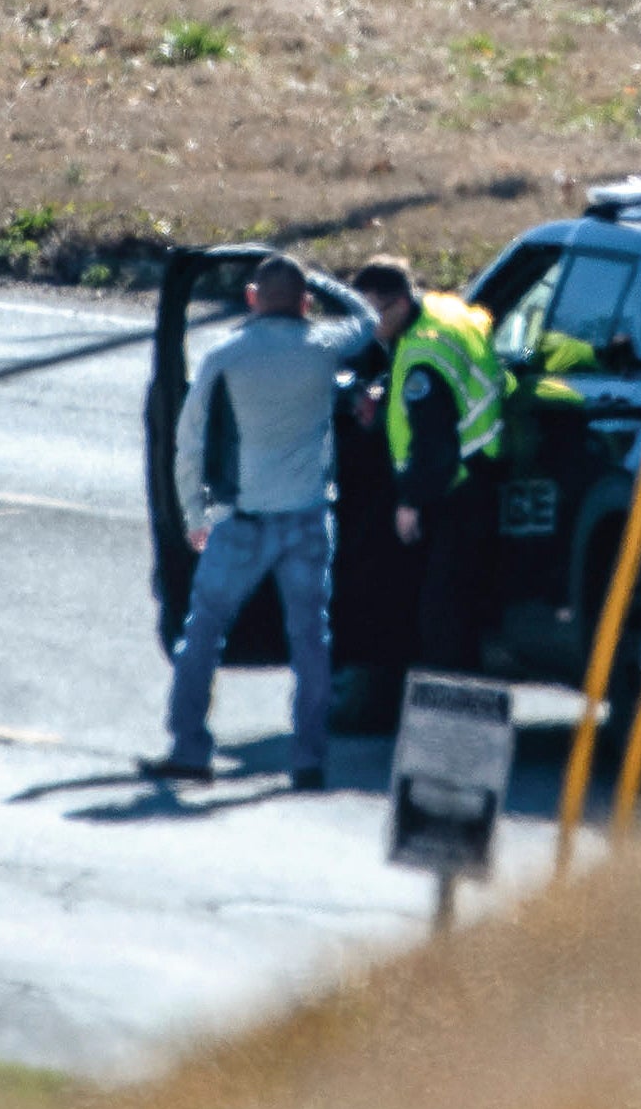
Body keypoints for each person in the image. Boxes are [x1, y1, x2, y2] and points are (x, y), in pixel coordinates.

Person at [144, 258, 376, 790]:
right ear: (305, 303)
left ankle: (189, 750)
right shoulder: (324, 346)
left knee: (202, 634)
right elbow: (367, 319)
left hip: (243, 522)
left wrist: (193, 514)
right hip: (308, 521)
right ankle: (307, 760)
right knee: (311, 643)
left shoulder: (227, 354)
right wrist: (322, 282)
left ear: (251, 298)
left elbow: (189, 441)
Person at [346, 258, 506, 718]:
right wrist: (383, 388)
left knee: (443, 616)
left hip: (455, 493)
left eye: (371, 314)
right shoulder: (441, 312)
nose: (365, 327)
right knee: (459, 607)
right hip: (482, 472)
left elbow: (436, 447)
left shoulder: (422, 360)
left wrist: (410, 502)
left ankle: (454, 719)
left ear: (397, 304)